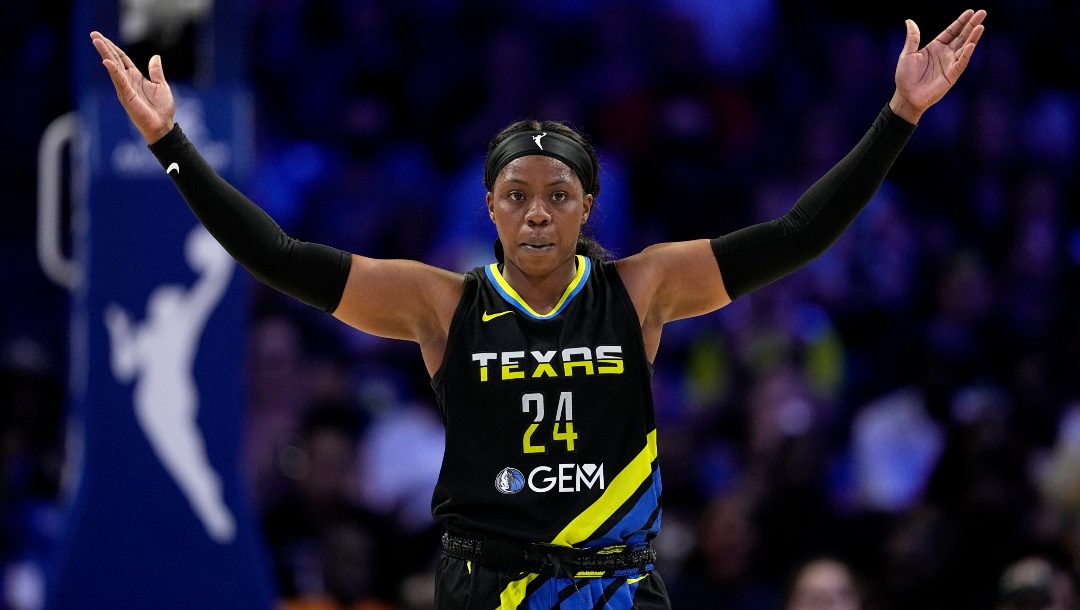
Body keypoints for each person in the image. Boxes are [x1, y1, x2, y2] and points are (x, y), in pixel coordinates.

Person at [90, 8, 986, 608]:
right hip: (493, 587)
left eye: (559, 194)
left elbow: (794, 234)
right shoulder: (441, 304)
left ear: (588, 208)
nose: (537, 212)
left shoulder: (644, 288)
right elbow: (277, 256)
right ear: (488, 207)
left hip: (619, 587)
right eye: (516, 194)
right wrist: (172, 141)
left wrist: (900, 114)